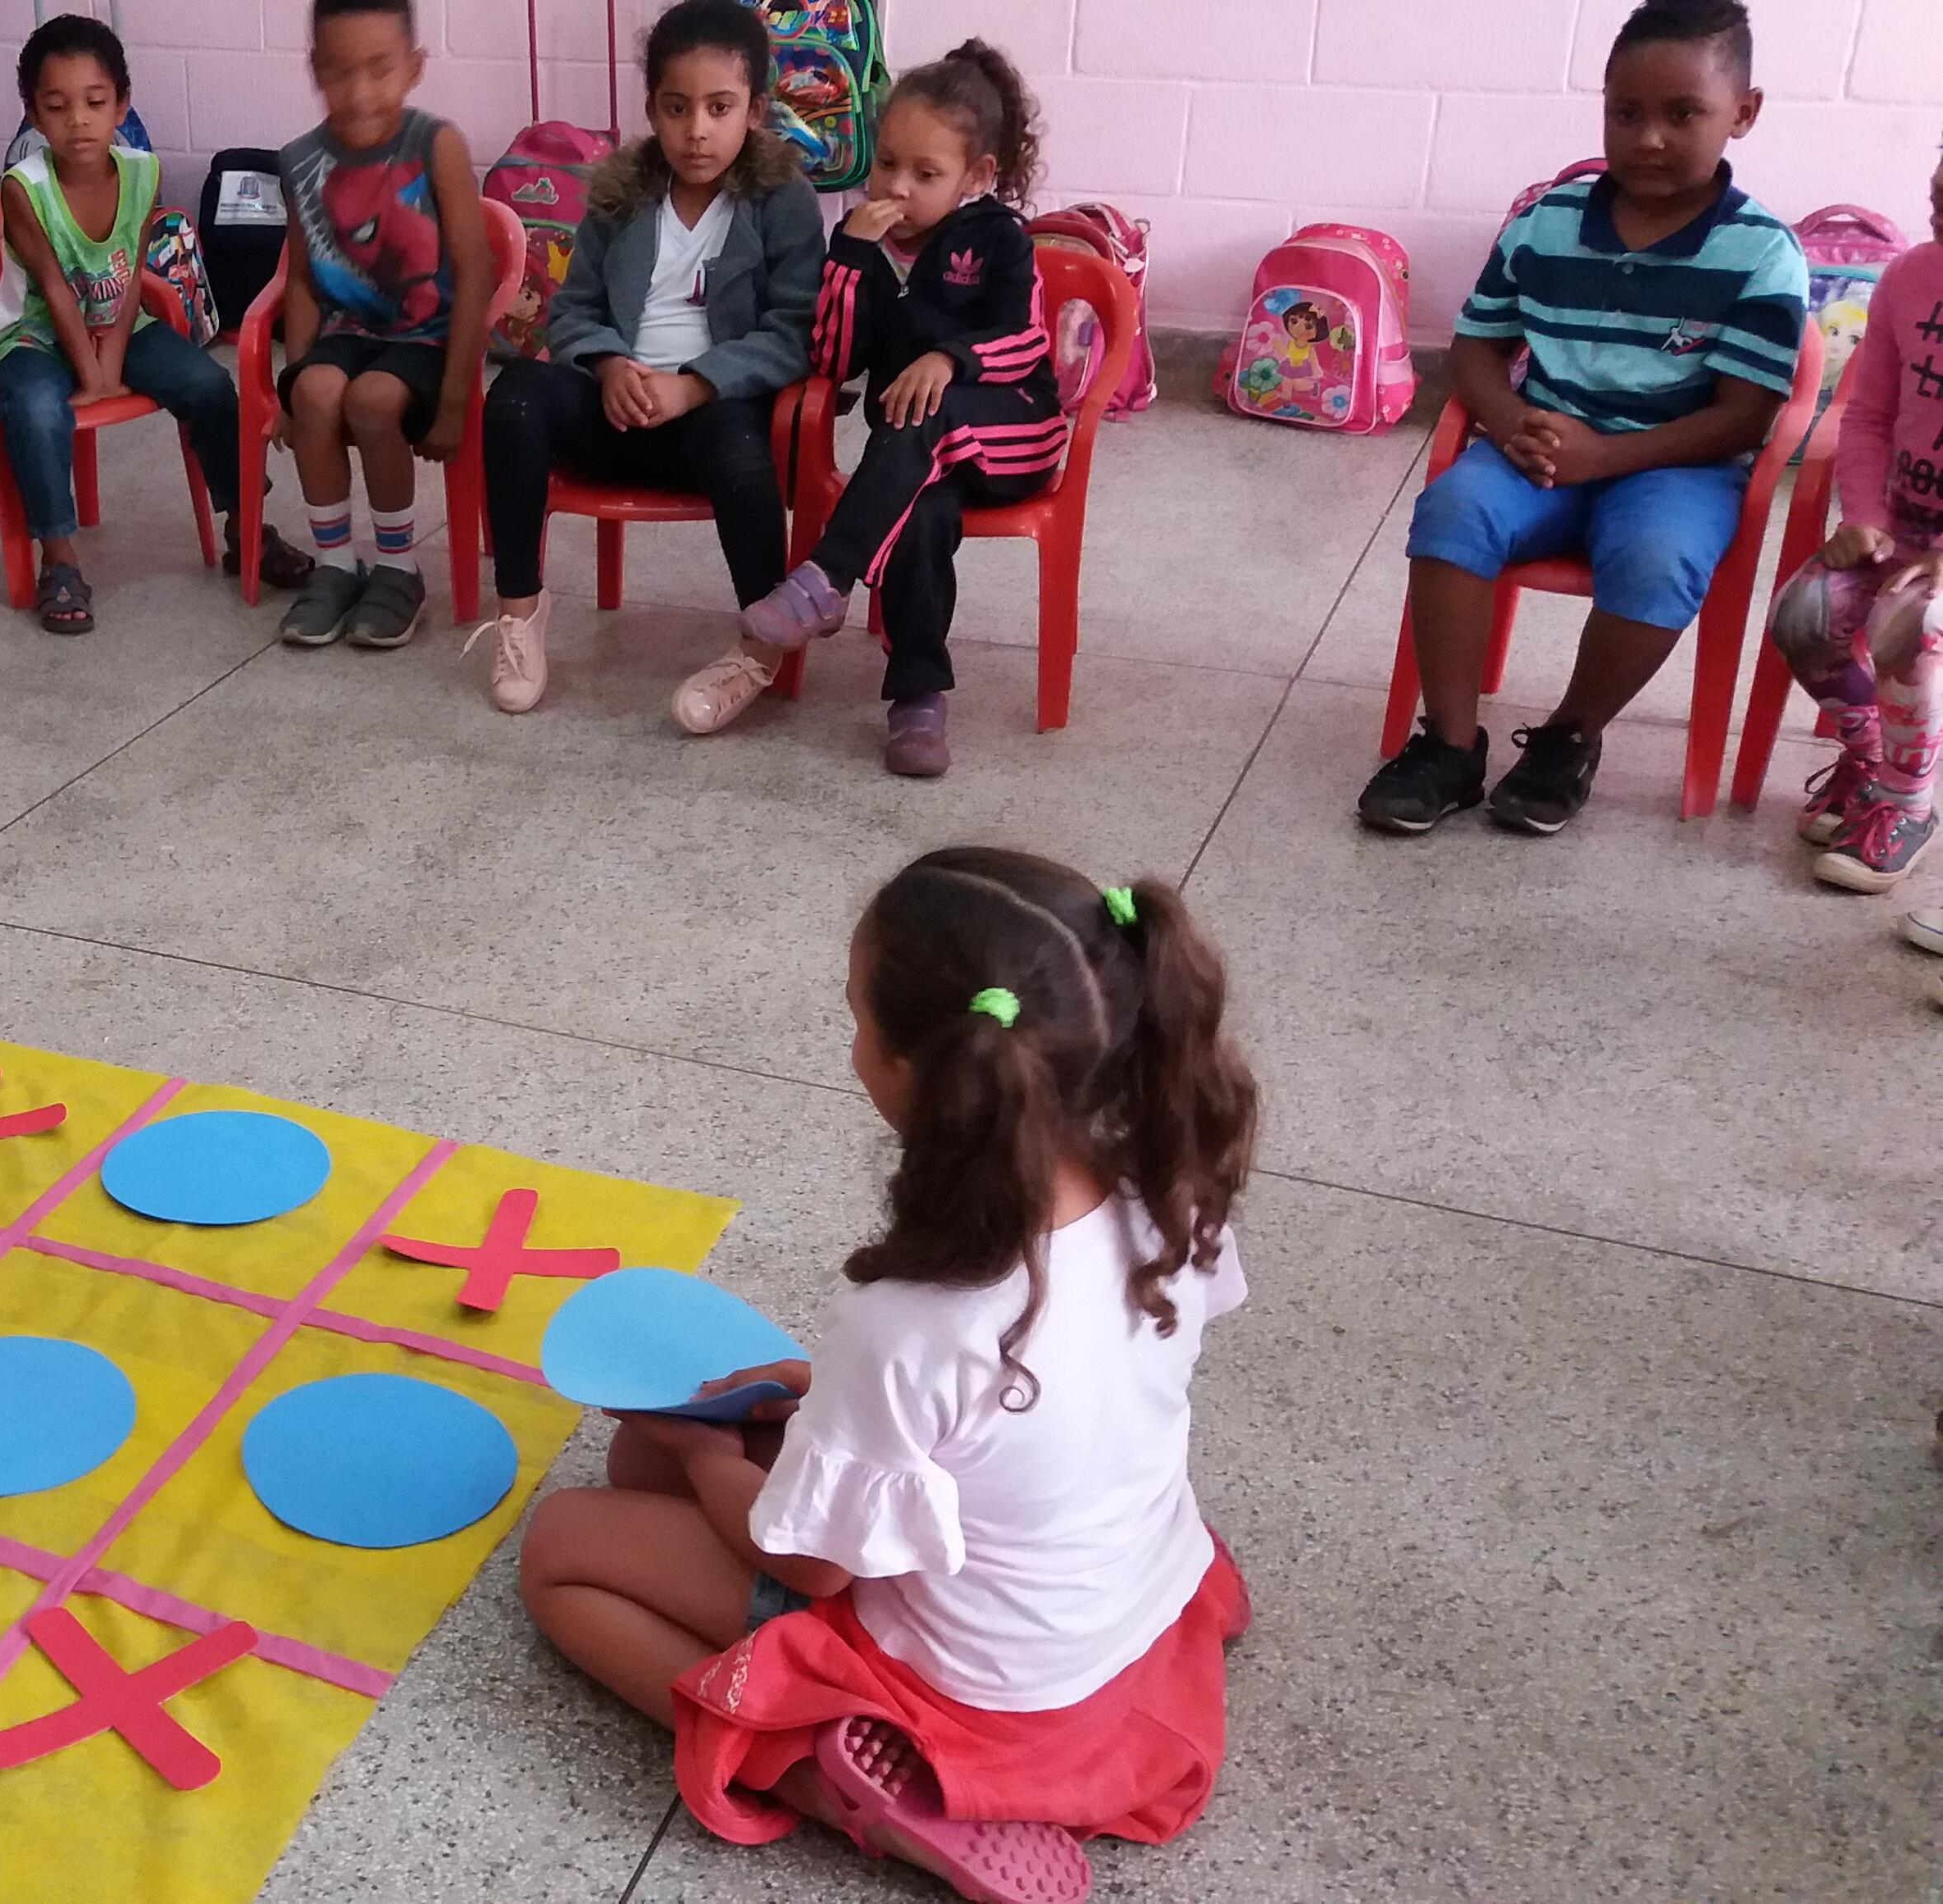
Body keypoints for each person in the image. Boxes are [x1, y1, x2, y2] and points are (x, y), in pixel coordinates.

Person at [518, 847, 1259, 1904]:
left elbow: (813, 1568)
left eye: (856, 1017)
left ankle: (844, 1784)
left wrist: (701, 1452)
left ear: (918, 1069)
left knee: (562, 1544)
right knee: (660, 1460)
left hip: (988, 1693)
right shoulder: (1168, 1191)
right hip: (1125, 1597)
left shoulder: (911, 1318)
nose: (852, 1042)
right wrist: (821, 1405)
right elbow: (1034, 1397)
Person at [1358, 0, 1809, 836]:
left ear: (1743, 114)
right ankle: (1452, 746)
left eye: (1684, 114)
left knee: (1658, 557)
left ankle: (1569, 737)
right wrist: (1505, 418)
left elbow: (1745, 417)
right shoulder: (1547, 222)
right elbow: (1476, 349)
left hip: (1679, 463)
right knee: (1453, 510)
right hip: (1543, 444)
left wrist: (1609, 457)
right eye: (1626, 112)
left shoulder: (1761, 251)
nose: (1648, 138)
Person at [667, 41, 1058, 777]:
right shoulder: (865, 243)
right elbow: (835, 360)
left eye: (926, 174)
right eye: (886, 164)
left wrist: (951, 359)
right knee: (922, 514)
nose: (898, 187)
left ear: (976, 177)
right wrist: (849, 259)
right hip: (916, 462)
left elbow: (1026, 339)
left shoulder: (998, 239)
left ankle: (824, 580)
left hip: (1012, 433)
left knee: (925, 411)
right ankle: (918, 698)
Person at [462, 0, 826, 716]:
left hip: (710, 420)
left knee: (740, 446)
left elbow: (795, 333)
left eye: (720, 107)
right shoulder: (621, 193)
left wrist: (695, 386)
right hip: (613, 410)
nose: (697, 130)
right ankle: (519, 615)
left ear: (754, 111)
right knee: (514, 397)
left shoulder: (784, 201)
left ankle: (757, 652)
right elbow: (572, 314)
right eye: (677, 106)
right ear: (652, 108)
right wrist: (606, 368)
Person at [0, 14, 313, 635]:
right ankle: (58, 558)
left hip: (121, 324)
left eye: (95, 102)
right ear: (31, 113)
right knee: (33, 409)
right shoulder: (21, 188)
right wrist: (92, 371)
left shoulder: (142, 171)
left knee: (210, 386)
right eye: (57, 106)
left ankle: (247, 528)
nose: (78, 120)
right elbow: (54, 287)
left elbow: (134, 270)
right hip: (37, 336)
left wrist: (111, 362)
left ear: (122, 105)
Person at [271, 0, 496, 649]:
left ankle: (399, 567)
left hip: (427, 335)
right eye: (340, 72)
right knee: (316, 393)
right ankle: (338, 563)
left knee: (373, 401)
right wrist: (291, 384)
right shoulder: (300, 162)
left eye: (379, 69)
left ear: (414, 67)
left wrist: (454, 399)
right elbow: (304, 279)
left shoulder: (435, 145)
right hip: (348, 332)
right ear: (315, 70)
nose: (360, 92)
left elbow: (475, 271)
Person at [1763, 148, 1943, 911]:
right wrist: (1864, 519)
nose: (1938, 199)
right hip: (1900, 532)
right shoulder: (1910, 276)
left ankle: (1909, 804)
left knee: (1911, 624)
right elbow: (1865, 416)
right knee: (1804, 614)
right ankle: (1870, 761)